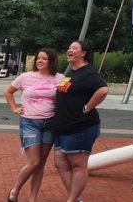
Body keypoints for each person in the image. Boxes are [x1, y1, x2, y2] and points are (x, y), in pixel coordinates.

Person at [51, 40, 109, 202]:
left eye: (74, 48)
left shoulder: (88, 73)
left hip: (80, 127)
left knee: (78, 165)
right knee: (60, 164)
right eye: (69, 47)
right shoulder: (71, 73)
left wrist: (87, 108)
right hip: (62, 128)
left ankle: (72, 200)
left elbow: (103, 90)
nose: (69, 50)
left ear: (83, 53)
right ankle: (75, 199)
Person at [4, 48, 64, 202]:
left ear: (51, 61)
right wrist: (14, 108)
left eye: (44, 58)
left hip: (50, 123)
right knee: (34, 162)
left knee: (41, 164)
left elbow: (67, 98)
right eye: (38, 58)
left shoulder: (61, 78)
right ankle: (14, 190)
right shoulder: (25, 77)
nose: (40, 61)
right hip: (30, 122)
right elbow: (8, 91)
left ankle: (32, 198)